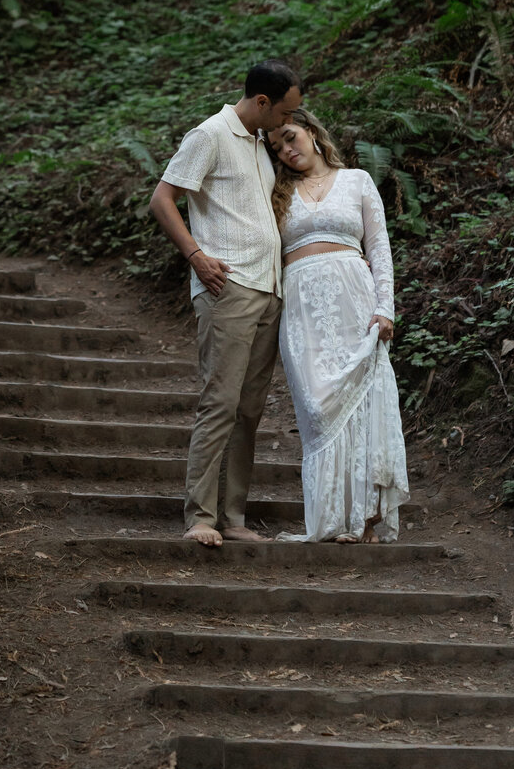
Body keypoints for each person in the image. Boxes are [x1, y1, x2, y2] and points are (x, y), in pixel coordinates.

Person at [148, 60, 304, 547]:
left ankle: (232, 517)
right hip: (227, 287)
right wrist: (196, 255)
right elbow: (162, 198)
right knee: (220, 402)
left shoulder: (260, 144)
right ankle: (200, 516)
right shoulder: (210, 135)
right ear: (262, 102)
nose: (287, 123)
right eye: (285, 113)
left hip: (268, 290)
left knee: (250, 409)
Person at [271, 107, 409, 543]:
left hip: (355, 298)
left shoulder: (358, 181)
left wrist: (385, 307)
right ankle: (331, 518)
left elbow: (380, 249)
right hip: (302, 306)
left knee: (365, 401)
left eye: (291, 137)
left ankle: (365, 516)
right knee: (317, 409)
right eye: (277, 147)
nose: (287, 150)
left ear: (312, 131)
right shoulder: (274, 192)